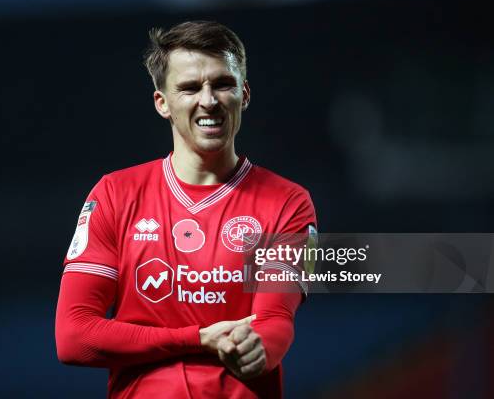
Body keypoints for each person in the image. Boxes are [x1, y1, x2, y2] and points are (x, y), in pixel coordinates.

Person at [55, 20, 317, 398]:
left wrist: (260, 349)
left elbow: (275, 321)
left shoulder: (289, 201)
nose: (208, 100)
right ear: (162, 102)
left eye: (222, 84)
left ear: (243, 94)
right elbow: (73, 336)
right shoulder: (114, 194)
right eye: (190, 87)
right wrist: (197, 339)